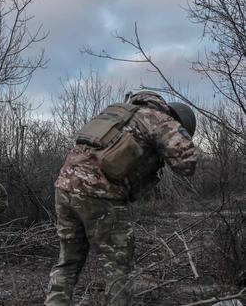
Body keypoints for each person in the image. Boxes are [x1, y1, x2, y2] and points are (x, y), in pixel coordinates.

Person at [44, 91, 200, 306]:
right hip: (100, 195)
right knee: (119, 268)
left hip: (64, 189)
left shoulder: (116, 113)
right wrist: (179, 141)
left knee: (68, 263)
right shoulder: (159, 118)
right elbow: (186, 163)